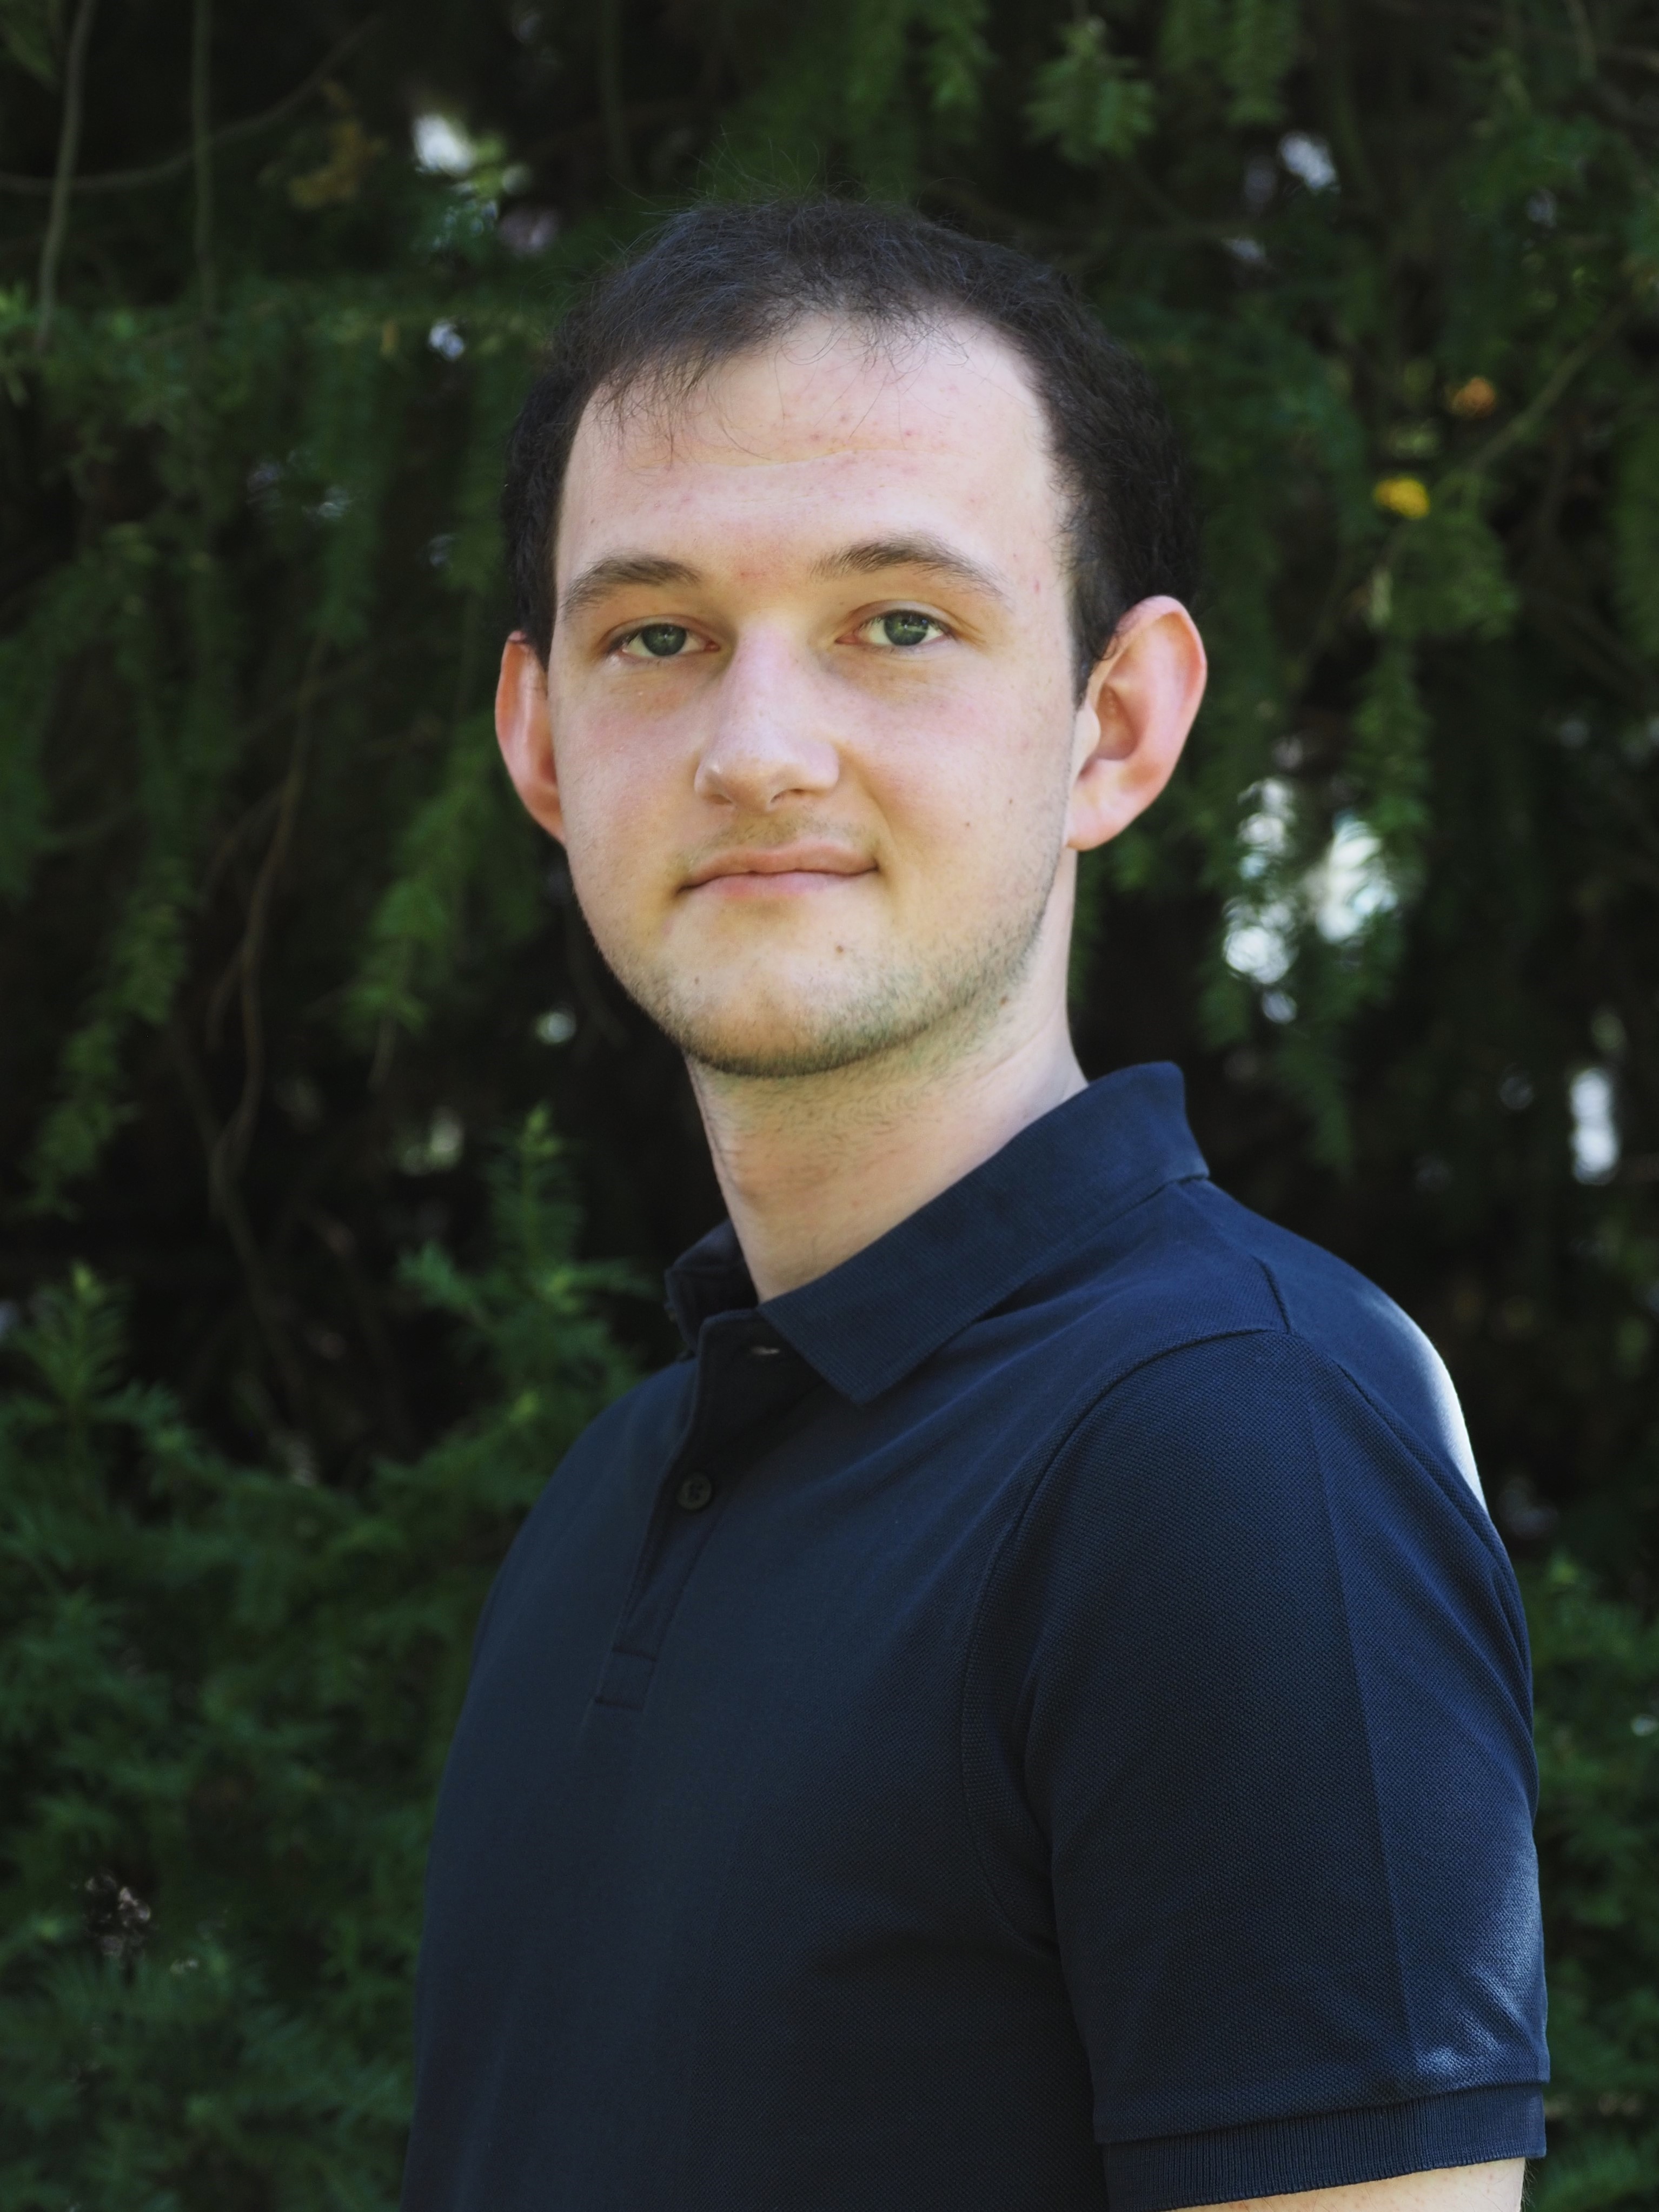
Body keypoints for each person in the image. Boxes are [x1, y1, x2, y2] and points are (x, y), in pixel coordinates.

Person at [402, 199, 1546, 2212]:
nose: (758, 750)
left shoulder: (1233, 1443)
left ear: (1116, 725)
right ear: (542, 742)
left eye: (898, 624)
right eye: (656, 636)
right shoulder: (619, 1488)